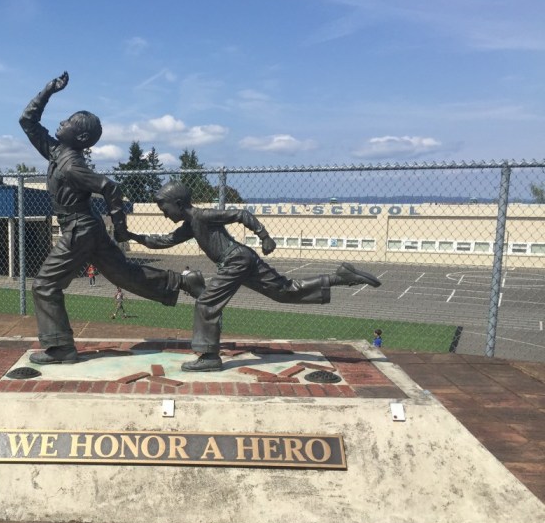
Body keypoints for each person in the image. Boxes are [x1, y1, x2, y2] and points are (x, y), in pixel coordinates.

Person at [19, 71, 204, 365]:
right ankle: (183, 282)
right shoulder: (56, 151)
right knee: (124, 276)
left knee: (44, 286)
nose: (61, 122)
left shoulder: (71, 165)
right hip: (87, 229)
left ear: (81, 137)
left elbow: (109, 187)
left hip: (79, 230)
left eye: (68, 122)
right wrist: (48, 90)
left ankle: (61, 348)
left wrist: (120, 228)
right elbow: (27, 121)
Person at [128, 182, 382, 372]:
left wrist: (264, 236)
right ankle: (341, 277)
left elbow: (241, 214)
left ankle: (209, 357)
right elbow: (164, 241)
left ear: (178, 203)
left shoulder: (202, 216)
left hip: (235, 260)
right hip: (242, 259)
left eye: (164, 208)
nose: (164, 214)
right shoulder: (190, 225)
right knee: (284, 291)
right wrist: (133, 237)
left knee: (206, 302)